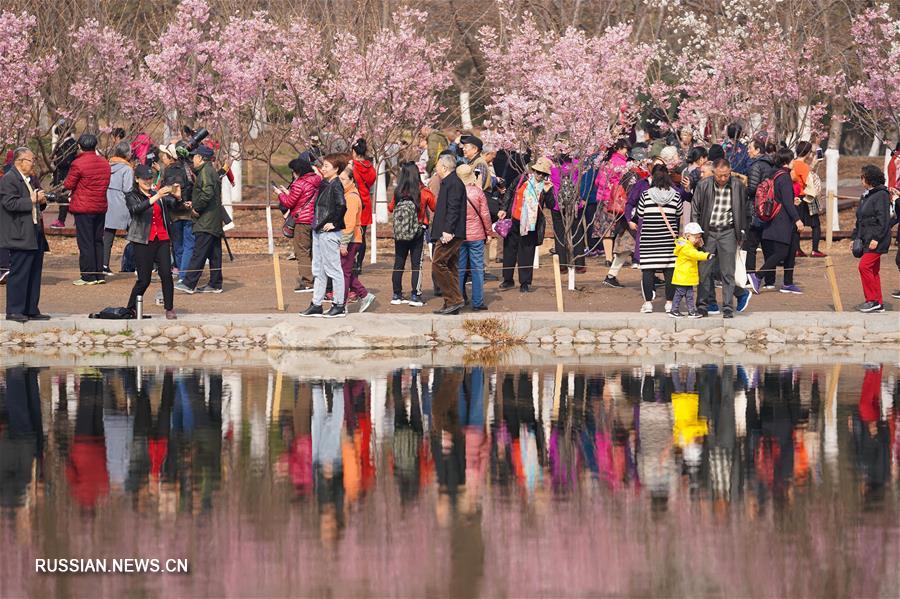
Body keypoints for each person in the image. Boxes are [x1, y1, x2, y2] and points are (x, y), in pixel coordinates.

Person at [691, 159, 752, 318]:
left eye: (726, 175)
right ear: (714, 173)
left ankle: (727, 307)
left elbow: (745, 210)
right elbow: (695, 210)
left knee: (728, 271)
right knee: (704, 270)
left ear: (730, 172)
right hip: (708, 232)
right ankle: (702, 306)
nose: (723, 179)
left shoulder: (737, 186)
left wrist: (742, 232)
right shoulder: (703, 185)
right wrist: (696, 233)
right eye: (719, 176)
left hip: (728, 231)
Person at [0, 148, 50, 322]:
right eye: (30, 160)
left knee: (34, 271)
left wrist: (41, 201)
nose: (33, 163)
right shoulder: (9, 179)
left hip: (34, 231)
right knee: (19, 272)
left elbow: (36, 202)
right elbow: (9, 203)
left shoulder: (31, 179)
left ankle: (31, 308)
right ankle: (14, 310)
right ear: (19, 161)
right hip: (19, 233)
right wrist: (32, 200)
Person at [125, 164, 178, 320]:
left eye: (150, 178)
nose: (148, 181)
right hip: (143, 240)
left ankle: (169, 308)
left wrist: (178, 197)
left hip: (162, 238)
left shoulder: (157, 194)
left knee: (166, 275)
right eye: (144, 179)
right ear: (137, 179)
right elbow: (136, 209)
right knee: (144, 279)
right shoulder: (131, 195)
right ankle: (131, 307)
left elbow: (173, 206)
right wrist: (157, 196)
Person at [749, 147, 805, 294]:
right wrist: (797, 219)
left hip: (775, 219)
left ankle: (788, 283)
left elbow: (782, 198)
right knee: (781, 252)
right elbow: (786, 201)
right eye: (792, 159)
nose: (794, 162)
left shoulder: (775, 175)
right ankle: (757, 275)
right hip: (782, 221)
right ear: (786, 161)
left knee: (790, 250)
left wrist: (793, 201)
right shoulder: (785, 177)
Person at [300, 153, 347, 318]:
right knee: (318, 269)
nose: (323, 169)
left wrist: (334, 223)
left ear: (336, 169)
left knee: (333, 269)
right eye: (324, 165)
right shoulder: (325, 183)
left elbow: (342, 205)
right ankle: (316, 303)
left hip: (329, 233)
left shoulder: (336, 185)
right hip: (318, 230)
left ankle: (339, 304)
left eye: (327, 166)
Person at [497, 157, 553, 293]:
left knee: (526, 253)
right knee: (509, 250)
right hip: (514, 218)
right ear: (533, 170)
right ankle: (508, 279)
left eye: (543, 174)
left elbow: (551, 205)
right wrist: (504, 208)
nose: (539, 175)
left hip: (531, 224)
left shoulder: (546, 187)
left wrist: (547, 191)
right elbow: (510, 191)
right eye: (537, 172)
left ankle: (525, 282)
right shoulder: (523, 179)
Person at [175, 145, 224, 294]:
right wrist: (194, 203)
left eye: (195, 157)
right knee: (214, 254)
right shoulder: (209, 171)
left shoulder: (205, 172)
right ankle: (215, 284)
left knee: (199, 252)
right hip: (213, 219)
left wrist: (196, 208)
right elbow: (207, 193)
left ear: (201, 158)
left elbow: (207, 193)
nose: (192, 159)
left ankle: (189, 283)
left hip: (206, 221)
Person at [64, 133, 111, 285]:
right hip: (100, 206)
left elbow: (68, 184)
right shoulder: (104, 163)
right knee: (98, 240)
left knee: (85, 242)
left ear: (79, 146)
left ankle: (88, 275)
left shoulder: (78, 163)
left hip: (84, 207)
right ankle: (99, 274)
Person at [636, 165, 683, 313]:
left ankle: (648, 303)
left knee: (648, 271)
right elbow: (679, 213)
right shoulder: (675, 195)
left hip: (649, 238)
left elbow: (640, 213)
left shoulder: (646, 194)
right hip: (668, 239)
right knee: (669, 271)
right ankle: (669, 303)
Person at [388, 161, 435, 307]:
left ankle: (396, 294)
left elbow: (390, 208)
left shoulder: (398, 192)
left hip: (401, 232)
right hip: (418, 232)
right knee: (416, 264)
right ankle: (415, 295)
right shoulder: (424, 192)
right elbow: (434, 206)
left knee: (399, 262)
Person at [276, 156, 321, 293]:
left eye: (293, 171)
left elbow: (289, 203)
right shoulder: (317, 180)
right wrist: (287, 192)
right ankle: (316, 278)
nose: (293, 174)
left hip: (302, 221)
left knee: (301, 251)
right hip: (314, 220)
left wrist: (279, 194)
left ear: (298, 171)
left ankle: (308, 282)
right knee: (312, 250)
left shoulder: (299, 183)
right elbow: (302, 199)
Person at [429, 154, 468, 314]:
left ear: (444, 167)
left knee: (438, 264)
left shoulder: (453, 183)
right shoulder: (449, 182)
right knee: (450, 266)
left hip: (450, 232)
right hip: (447, 231)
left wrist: (448, 230)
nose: (436, 167)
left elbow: (453, 208)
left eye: (438, 165)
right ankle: (451, 302)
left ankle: (455, 300)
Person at [852, 165, 892, 313]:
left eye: (862, 177)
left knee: (864, 266)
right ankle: (878, 303)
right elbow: (860, 219)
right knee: (873, 270)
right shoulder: (866, 196)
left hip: (877, 239)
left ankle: (872, 300)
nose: (861, 179)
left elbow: (884, 219)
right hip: (866, 238)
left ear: (869, 178)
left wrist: (877, 238)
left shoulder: (881, 194)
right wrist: (854, 238)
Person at [338, 160, 375, 313]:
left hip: (351, 239)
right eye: (339, 179)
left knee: (344, 273)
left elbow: (350, 222)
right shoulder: (346, 194)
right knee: (345, 270)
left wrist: (344, 243)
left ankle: (342, 304)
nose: (340, 182)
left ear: (351, 180)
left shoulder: (352, 197)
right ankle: (364, 294)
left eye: (343, 179)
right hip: (349, 238)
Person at [457, 164, 493, 311]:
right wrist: (489, 232)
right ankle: (477, 302)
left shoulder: (455, 192)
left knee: (459, 269)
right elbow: (485, 214)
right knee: (477, 269)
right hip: (477, 235)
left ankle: (458, 299)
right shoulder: (478, 192)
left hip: (459, 235)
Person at [158, 143, 193, 280]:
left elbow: (171, 190)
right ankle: (186, 273)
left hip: (176, 212)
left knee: (179, 246)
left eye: (164, 154)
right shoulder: (187, 167)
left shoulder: (171, 171)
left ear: (170, 157)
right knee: (188, 245)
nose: (162, 157)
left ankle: (183, 276)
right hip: (188, 211)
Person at [744, 139, 777, 278]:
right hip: (770, 209)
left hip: (755, 209)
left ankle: (750, 276)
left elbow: (752, 189)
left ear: (758, 150)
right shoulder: (771, 165)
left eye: (750, 148)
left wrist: (743, 188)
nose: (748, 150)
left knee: (751, 246)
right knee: (768, 246)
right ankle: (770, 279)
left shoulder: (755, 166)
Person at [595, 140, 630, 265]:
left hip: (602, 198)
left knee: (606, 228)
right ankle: (616, 256)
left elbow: (597, 182)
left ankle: (608, 258)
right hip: (616, 199)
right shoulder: (623, 164)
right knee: (619, 227)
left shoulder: (605, 162)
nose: (627, 152)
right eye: (626, 149)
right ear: (619, 149)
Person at [791, 141, 825, 258]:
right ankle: (815, 249)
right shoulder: (804, 166)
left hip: (796, 198)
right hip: (806, 198)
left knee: (797, 224)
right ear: (808, 153)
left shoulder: (793, 163)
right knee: (815, 225)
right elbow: (808, 181)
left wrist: (814, 163)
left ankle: (797, 249)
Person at [103, 142, 133, 276]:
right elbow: (128, 189)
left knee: (108, 235)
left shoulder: (107, 165)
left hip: (107, 202)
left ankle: (104, 265)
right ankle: (141, 264)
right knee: (135, 232)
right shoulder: (127, 169)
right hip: (121, 203)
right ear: (126, 154)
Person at [670, 222, 710, 318]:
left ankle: (691, 311)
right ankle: (674, 310)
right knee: (680, 294)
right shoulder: (686, 247)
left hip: (685, 277)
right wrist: (706, 255)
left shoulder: (686, 244)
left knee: (689, 295)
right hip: (683, 277)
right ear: (688, 236)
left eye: (699, 237)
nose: (697, 240)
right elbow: (694, 254)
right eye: (695, 237)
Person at [350, 139, 376, 275]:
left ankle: (351, 261)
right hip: (365, 201)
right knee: (362, 235)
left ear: (354, 152)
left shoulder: (352, 166)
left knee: (350, 233)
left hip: (353, 201)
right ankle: (359, 264)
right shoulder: (370, 167)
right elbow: (372, 181)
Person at [49, 120, 78, 229]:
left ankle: (62, 220)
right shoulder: (64, 143)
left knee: (64, 198)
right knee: (63, 198)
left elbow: (67, 161)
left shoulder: (70, 144)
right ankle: (70, 218)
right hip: (61, 174)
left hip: (66, 174)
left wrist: (56, 161)